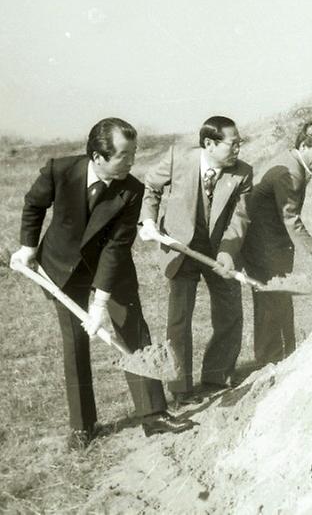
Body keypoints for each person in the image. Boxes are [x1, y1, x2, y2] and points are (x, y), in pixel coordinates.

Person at [10, 118, 193, 449]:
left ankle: (153, 414)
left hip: (112, 269)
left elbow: (115, 249)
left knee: (133, 331)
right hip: (62, 269)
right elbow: (34, 205)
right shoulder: (60, 170)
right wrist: (28, 247)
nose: (131, 161)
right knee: (75, 342)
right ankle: (83, 426)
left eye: (134, 153)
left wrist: (99, 304)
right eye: (124, 155)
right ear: (98, 156)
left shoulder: (131, 191)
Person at [139, 116, 252, 405]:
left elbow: (239, 219)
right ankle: (180, 389)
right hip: (181, 249)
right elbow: (151, 187)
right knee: (179, 320)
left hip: (219, 251)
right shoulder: (179, 158)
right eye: (233, 143)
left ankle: (216, 378)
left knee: (229, 313)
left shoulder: (243, 173)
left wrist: (227, 252)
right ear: (209, 144)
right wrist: (149, 222)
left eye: (239, 142)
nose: (238, 148)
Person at [242, 121, 312, 366]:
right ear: (304, 145)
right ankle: (272, 363)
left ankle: (284, 356)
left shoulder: (291, 161)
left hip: (267, 243)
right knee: (272, 302)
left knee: (276, 300)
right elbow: (290, 217)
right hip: (264, 246)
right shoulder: (291, 172)